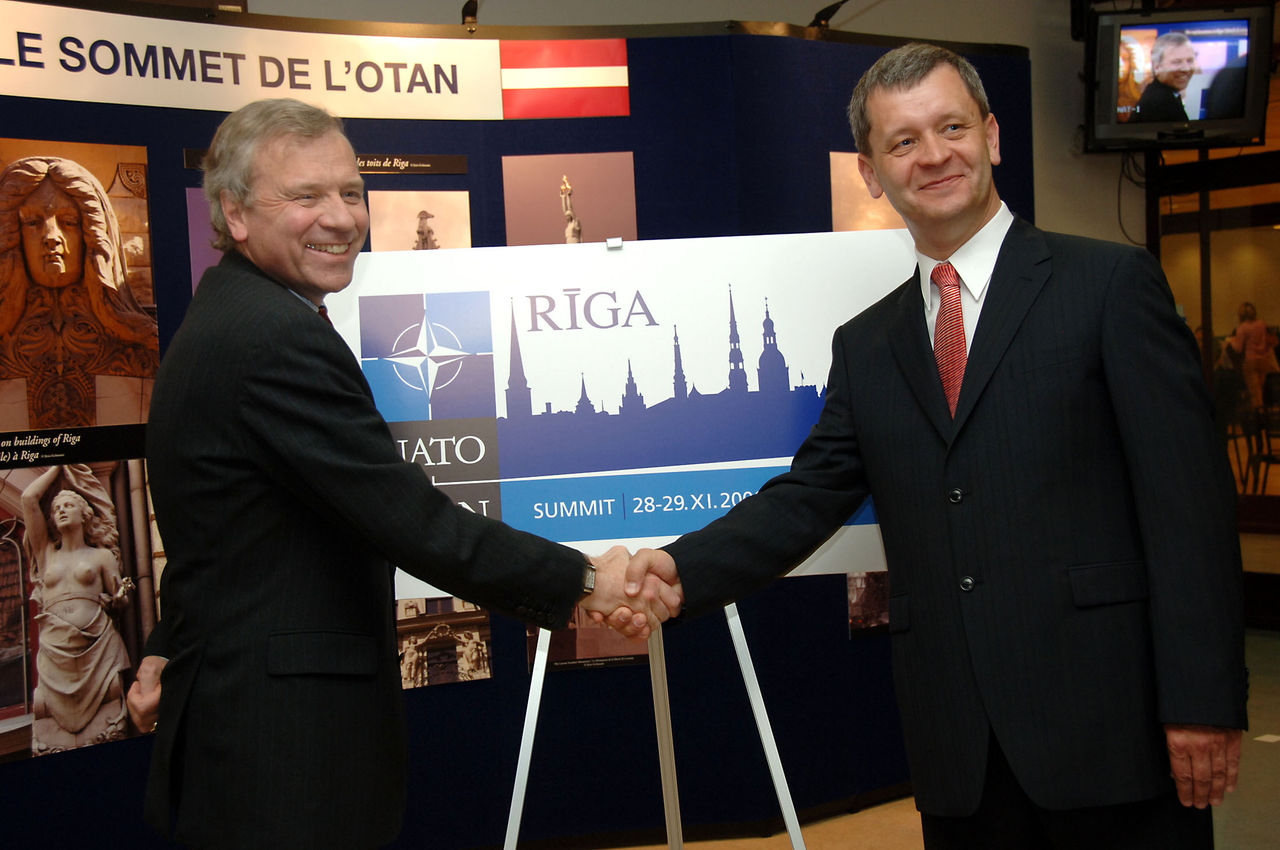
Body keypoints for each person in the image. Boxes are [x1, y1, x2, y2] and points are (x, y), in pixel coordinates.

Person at [620, 43, 1245, 849]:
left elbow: (1187, 509)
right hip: (959, 752)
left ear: (990, 134)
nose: (934, 154)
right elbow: (808, 497)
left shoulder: (1111, 286)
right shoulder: (868, 342)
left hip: (1112, 734)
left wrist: (1202, 700)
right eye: (903, 141)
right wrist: (678, 567)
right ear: (872, 173)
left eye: (951, 126)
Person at [125, 97, 680, 850]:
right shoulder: (273, 339)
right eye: (306, 196)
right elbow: (412, 522)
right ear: (235, 211)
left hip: (246, 728)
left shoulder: (232, 316)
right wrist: (588, 582)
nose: (341, 217)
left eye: (351, 192)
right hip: (284, 750)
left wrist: (166, 643)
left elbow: (224, 536)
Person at [0, 156, 159, 430]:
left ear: (92, 233)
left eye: (69, 222)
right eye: (33, 222)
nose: (52, 236)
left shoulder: (146, 352)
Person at [21, 463, 134, 755]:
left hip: (97, 648)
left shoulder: (101, 556)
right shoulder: (45, 553)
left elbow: (118, 600)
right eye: (58, 507)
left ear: (85, 515)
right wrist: (59, 464)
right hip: (55, 650)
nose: (61, 510)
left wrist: (120, 597)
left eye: (69, 504)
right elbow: (28, 499)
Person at [1226, 301, 1280, 410]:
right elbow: (1266, 342)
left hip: (1250, 361)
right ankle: (1264, 418)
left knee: (1255, 392)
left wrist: (1230, 341)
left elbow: (1238, 348)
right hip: (1263, 360)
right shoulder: (1261, 324)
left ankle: (1258, 417)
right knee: (1261, 388)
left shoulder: (1242, 328)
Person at [1133, 32, 1197, 123]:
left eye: (1190, 61)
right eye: (1177, 62)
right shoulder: (1158, 103)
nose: (1186, 68)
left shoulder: (1166, 94)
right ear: (1157, 67)